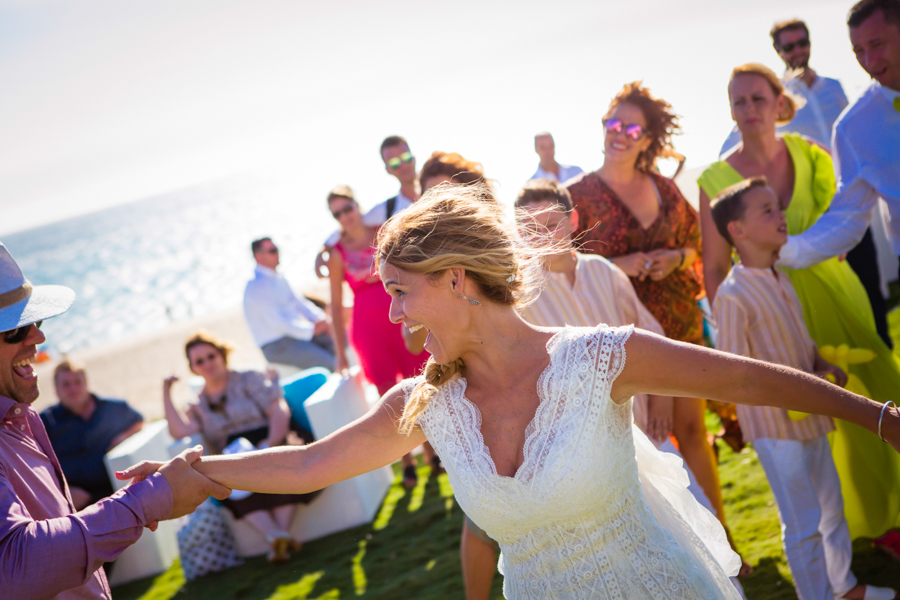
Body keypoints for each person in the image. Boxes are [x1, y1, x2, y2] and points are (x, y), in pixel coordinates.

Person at [123, 186, 900, 600]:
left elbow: (736, 374)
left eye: (400, 292)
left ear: (457, 280)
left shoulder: (599, 359)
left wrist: (877, 415)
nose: (391, 315)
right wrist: (199, 471)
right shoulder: (421, 406)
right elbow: (307, 466)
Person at [697, 62, 900, 541]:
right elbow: (714, 266)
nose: (748, 109)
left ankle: (895, 509)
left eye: (757, 98)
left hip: (838, 292)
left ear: (779, 102)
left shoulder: (813, 153)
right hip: (773, 312)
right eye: (738, 101)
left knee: (877, 388)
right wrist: (735, 342)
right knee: (820, 417)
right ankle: (868, 528)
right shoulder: (714, 178)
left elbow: (844, 228)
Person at [565, 82, 737, 568]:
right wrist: (627, 261)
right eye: (612, 123)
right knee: (643, 448)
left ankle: (724, 545)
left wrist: (672, 255)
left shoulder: (663, 186)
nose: (619, 133)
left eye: (631, 127)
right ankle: (673, 558)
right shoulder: (576, 197)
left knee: (692, 432)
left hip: (679, 321)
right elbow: (570, 268)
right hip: (620, 338)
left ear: (647, 138)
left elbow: (696, 247)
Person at [0, 242, 229, 599]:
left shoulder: (19, 418)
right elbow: (17, 563)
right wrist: (144, 501)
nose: (39, 337)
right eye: (15, 329)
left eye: (35, 321)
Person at [710, 177, 897, 600]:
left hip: (814, 415)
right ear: (737, 231)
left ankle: (844, 586)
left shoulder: (782, 277)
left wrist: (822, 363)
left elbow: (802, 344)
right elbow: (735, 373)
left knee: (831, 511)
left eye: (778, 208)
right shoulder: (733, 295)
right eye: (768, 211)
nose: (781, 217)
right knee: (803, 522)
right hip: (776, 430)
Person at [719, 17, 890, 346]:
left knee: (869, 286)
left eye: (802, 43)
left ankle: (883, 350)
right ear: (778, 51)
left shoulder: (834, 87)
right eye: (789, 46)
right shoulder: (773, 95)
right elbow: (735, 142)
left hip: (850, 202)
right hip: (809, 215)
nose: (798, 51)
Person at [162, 332, 317, 563]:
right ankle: (279, 537)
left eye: (210, 356)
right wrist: (166, 391)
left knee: (283, 467)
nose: (207, 364)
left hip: (270, 436)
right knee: (226, 481)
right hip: (232, 452)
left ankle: (277, 539)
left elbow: (278, 409)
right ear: (193, 368)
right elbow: (178, 431)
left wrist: (270, 443)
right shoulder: (197, 402)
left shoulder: (249, 378)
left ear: (222, 355)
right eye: (199, 361)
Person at [778, 0, 900, 282]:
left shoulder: (832, 89)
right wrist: (787, 249)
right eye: (859, 51)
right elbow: (849, 215)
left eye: (877, 44)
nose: (869, 62)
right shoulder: (851, 127)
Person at [324, 185, 432, 488]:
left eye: (347, 208)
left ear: (357, 206)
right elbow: (334, 304)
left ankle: (432, 451)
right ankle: (407, 462)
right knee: (387, 395)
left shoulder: (383, 231)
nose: (345, 216)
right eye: (337, 213)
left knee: (419, 379)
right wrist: (340, 351)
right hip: (367, 328)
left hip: (400, 314)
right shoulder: (336, 253)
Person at [41, 360, 144, 510]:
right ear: (56, 389)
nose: (73, 389)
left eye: (78, 382)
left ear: (86, 383)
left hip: (119, 490)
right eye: (66, 385)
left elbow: (139, 422)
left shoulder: (112, 407)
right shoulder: (45, 422)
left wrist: (123, 437)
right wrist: (63, 491)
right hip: (77, 504)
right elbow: (32, 464)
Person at [314, 135, 421, 278]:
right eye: (395, 163)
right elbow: (353, 223)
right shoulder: (387, 209)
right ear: (388, 169)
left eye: (406, 158)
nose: (403, 165)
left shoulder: (441, 188)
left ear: (413, 158)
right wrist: (323, 251)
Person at [244, 236, 336, 371]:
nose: (277, 253)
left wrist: (322, 320)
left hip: (295, 335)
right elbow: (278, 323)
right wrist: (312, 329)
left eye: (276, 249)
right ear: (259, 257)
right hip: (277, 345)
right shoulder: (257, 287)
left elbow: (299, 303)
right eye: (272, 251)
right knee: (330, 363)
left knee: (338, 342)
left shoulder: (278, 278)